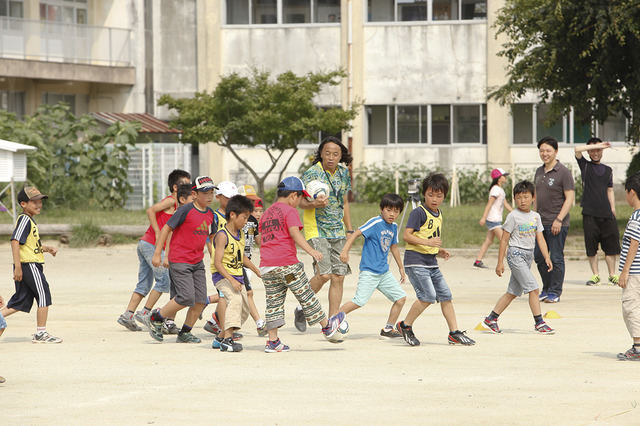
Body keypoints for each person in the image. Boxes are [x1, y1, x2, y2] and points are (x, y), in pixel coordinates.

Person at [259, 176, 346, 353]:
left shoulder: (267, 213)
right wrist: (311, 251)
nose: (300, 201)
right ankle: (326, 327)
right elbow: (294, 233)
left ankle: (272, 342)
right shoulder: (290, 211)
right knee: (306, 295)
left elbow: (261, 239)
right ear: (293, 196)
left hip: (267, 267)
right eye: (301, 198)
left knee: (273, 302)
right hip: (287, 265)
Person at [395, 173, 476, 347]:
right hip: (416, 262)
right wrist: (428, 243)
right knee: (428, 296)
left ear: (444, 196)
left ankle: (454, 333)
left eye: (439, 196)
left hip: (431, 262)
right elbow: (407, 236)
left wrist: (437, 250)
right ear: (424, 193)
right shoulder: (419, 212)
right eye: (431, 195)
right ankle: (405, 325)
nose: (434, 199)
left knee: (446, 295)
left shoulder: (438, 214)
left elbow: (429, 236)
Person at [141, 176, 217, 343]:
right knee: (185, 297)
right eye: (205, 193)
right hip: (180, 259)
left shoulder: (211, 214)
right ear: (194, 194)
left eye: (211, 192)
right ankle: (155, 318)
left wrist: (217, 259)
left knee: (199, 300)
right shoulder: (185, 210)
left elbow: (212, 239)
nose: (209, 196)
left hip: (197, 262)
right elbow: (166, 229)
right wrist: (157, 253)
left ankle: (185, 332)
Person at [117, 169, 191, 334]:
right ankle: (145, 313)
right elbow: (150, 210)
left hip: (145, 244)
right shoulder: (172, 201)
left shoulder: (180, 207)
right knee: (164, 281)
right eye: (184, 184)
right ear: (175, 188)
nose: (188, 186)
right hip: (151, 245)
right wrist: (157, 232)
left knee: (144, 283)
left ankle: (128, 314)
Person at [482, 181, 556, 335]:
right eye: (519, 197)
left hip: (528, 256)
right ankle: (539, 323)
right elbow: (503, 240)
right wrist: (500, 262)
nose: (523, 201)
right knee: (534, 288)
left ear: (533, 197)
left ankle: (491, 319)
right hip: (515, 255)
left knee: (513, 292)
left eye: (526, 197)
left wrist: (546, 257)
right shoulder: (513, 216)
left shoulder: (536, 217)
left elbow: (540, 239)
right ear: (514, 199)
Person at [297, 136, 354, 330]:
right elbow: (299, 202)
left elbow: (344, 202)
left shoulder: (344, 173)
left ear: (340, 156)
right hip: (317, 229)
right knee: (324, 275)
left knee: (338, 276)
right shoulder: (312, 173)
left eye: (335, 154)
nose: (331, 157)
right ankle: (302, 305)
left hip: (338, 230)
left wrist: (349, 229)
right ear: (320, 154)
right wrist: (314, 203)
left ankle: (332, 322)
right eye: (327, 153)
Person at [338, 193, 407, 339]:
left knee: (400, 298)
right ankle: (333, 320)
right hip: (369, 271)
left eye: (396, 211)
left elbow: (394, 247)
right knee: (359, 301)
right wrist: (345, 250)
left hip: (384, 273)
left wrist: (401, 268)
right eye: (389, 210)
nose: (392, 214)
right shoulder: (375, 223)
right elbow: (356, 233)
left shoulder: (394, 227)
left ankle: (388, 329)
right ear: (381, 209)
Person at [1, 187, 61, 343]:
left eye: (40, 201)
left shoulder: (30, 221)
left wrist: (46, 249)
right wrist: (18, 266)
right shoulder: (24, 220)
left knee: (21, 300)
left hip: (29, 264)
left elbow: (29, 245)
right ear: (23, 204)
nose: (38, 205)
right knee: (43, 295)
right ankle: (41, 333)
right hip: (29, 266)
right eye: (34, 202)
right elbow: (15, 241)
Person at [211, 195, 261, 352]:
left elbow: (242, 257)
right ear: (232, 214)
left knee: (245, 308)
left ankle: (220, 337)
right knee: (235, 299)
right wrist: (231, 280)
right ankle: (228, 341)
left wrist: (256, 270)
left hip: (238, 276)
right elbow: (217, 263)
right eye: (244, 217)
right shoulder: (222, 235)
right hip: (223, 276)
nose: (246, 221)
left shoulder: (241, 234)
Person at [534, 136, 575, 303]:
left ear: (556, 152)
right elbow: (535, 197)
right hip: (540, 224)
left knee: (556, 257)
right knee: (539, 257)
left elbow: (570, 198)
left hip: (557, 223)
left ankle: (555, 292)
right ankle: (547, 287)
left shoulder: (563, 172)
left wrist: (559, 219)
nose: (545, 154)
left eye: (548, 151)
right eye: (542, 151)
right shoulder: (538, 171)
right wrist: (533, 218)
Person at [574, 138, 621, 286]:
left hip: (606, 213)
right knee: (591, 246)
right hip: (589, 212)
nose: (596, 153)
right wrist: (600, 145)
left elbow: (610, 190)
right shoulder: (585, 166)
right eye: (593, 150)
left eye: (598, 150)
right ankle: (595, 275)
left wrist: (612, 208)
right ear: (588, 151)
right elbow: (576, 149)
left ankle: (612, 275)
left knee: (611, 246)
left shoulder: (608, 170)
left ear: (602, 152)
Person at [203, 181, 239, 336]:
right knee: (225, 297)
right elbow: (209, 239)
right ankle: (225, 330)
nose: (231, 201)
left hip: (233, 263)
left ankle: (217, 324)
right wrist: (214, 257)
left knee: (228, 297)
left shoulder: (235, 217)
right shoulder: (214, 216)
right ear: (218, 197)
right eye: (227, 198)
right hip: (220, 265)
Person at [237, 184, 267, 336]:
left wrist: (268, 252)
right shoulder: (235, 219)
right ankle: (259, 323)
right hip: (237, 262)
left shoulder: (253, 221)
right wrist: (257, 270)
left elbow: (258, 240)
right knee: (248, 293)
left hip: (246, 262)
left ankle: (213, 320)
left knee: (234, 296)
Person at [617, 172, 640, 360]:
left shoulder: (635, 218)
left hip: (634, 272)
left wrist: (624, 271)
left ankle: (638, 347)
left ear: (631, 192)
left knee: (631, 307)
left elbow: (634, 243)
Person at [474, 168, 513, 268]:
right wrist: (483, 217)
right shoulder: (496, 189)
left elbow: (505, 204)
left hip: (495, 219)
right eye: (504, 175)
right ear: (499, 178)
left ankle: (478, 261)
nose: (505, 177)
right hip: (493, 219)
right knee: (503, 240)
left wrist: (515, 213)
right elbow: (489, 204)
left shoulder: (499, 189)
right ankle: (513, 263)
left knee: (488, 240)